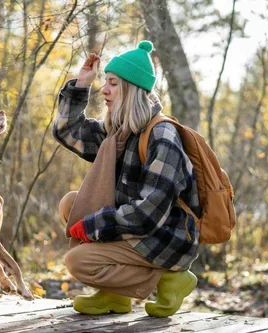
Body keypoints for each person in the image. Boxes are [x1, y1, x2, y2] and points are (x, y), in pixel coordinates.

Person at [52, 40, 200, 317]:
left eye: (113, 83)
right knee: (71, 204)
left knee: (78, 262)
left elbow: (148, 214)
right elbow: (67, 131)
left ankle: (170, 279)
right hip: (139, 230)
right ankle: (115, 297)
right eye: (105, 82)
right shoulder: (118, 133)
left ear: (131, 89)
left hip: (166, 236)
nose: (104, 90)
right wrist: (81, 84)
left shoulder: (162, 136)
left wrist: (95, 225)